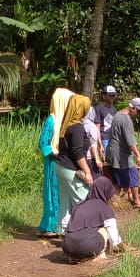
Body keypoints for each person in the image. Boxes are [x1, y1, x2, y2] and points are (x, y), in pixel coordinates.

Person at [54, 94, 93, 233]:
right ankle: (86, 231)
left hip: (60, 166)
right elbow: (77, 152)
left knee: (65, 201)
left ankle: (63, 231)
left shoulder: (65, 124)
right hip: (70, 168)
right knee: (83, 200)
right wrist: (88, 172)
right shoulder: (77, 127)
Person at [61, 177, 121, 262]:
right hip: (89, 246)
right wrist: (123, 246)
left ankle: (74, 256)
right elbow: (114, 238)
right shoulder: (105, 209)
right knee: (104, 230)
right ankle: (100, 256)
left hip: (67, 247)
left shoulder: (78, 205)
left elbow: (64, 223)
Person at [38, 88, 72, 236]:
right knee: (53, 192)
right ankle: (50, 226)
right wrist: (52, 151)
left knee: (63, 194)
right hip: (53, 162)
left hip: (64, 162)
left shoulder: (67, 120)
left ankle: (62, 224)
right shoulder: (52, 120)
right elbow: (42, 142)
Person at [106, 97, 140, 209]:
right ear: (132, 107)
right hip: (120, 154)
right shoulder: (126, 120)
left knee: (117, 181)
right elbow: (130, 142)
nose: (138, 114)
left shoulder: (118, 114)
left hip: (113, 152)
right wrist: (138, 155)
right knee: (133, 176)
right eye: (137, 111)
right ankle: (136, 201)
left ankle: (113, 204)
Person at [92, 85, 117, 153]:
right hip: (103, 139)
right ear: (104, 96)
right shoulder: (98, 108)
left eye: (113, 95)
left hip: (113, 139)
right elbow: (97, 127)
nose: (112, 97)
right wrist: (100, 144)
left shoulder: (113, 109)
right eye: (110, 95)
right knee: (105, 161)